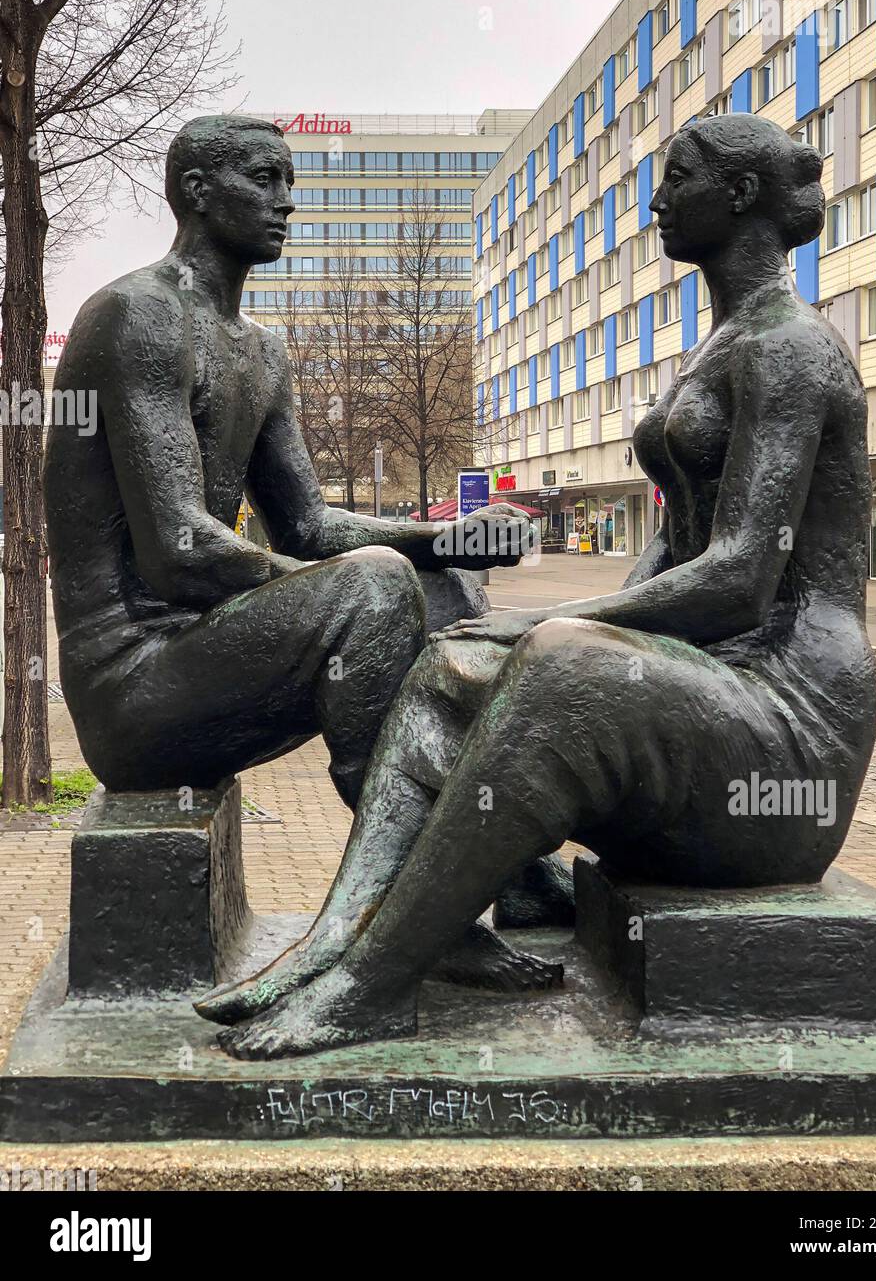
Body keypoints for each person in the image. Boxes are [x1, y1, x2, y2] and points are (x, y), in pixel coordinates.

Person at [199, 113, 876, 1060]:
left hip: (786, 742)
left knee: (559, 664)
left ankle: (368, 984)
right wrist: (507, 633)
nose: (654, 199)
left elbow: (736, 582)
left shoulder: (791, 348)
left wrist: (544, 619)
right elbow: (674, 559)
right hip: (710, 722)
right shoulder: (727, 345)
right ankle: (335, 943)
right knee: (448, 660)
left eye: (676, 177)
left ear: (737, 197)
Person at [44, 114, 538, 984]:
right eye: (265, 179)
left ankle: (513, 875)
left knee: (445, 588)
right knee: (378, 594)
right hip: (136, 689)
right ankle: (420, 907)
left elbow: (308, 527)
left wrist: (443, 539)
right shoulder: (138, 316)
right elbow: (180, 553)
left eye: (290, 181)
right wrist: (360, 592)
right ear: (197, 192)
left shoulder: (260, 351)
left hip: (204, 655)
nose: (288, 202)